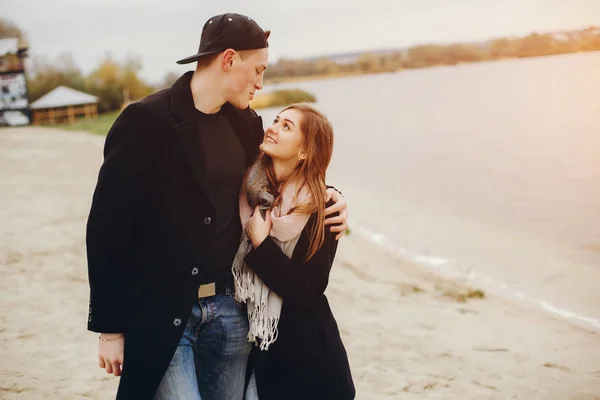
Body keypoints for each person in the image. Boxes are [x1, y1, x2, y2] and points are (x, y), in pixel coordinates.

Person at [86, 12, 349, 400]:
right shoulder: (145, 122)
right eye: (257, 69)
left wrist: (332, 196)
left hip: (230, 314)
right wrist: (110, 329)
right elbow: (107, 227)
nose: (261, 82)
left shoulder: (245, 124)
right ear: (229, 60)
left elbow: (280, 182)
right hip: (165, 312)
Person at [232, 104, 355, 400]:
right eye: (275, 120)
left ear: (304, 152)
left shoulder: (321, 208)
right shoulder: (248, 190)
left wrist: (262, 246)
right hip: (257, 353)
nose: (272, 127)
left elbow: (309, 289)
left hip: (309, 362)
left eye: (286, 126)